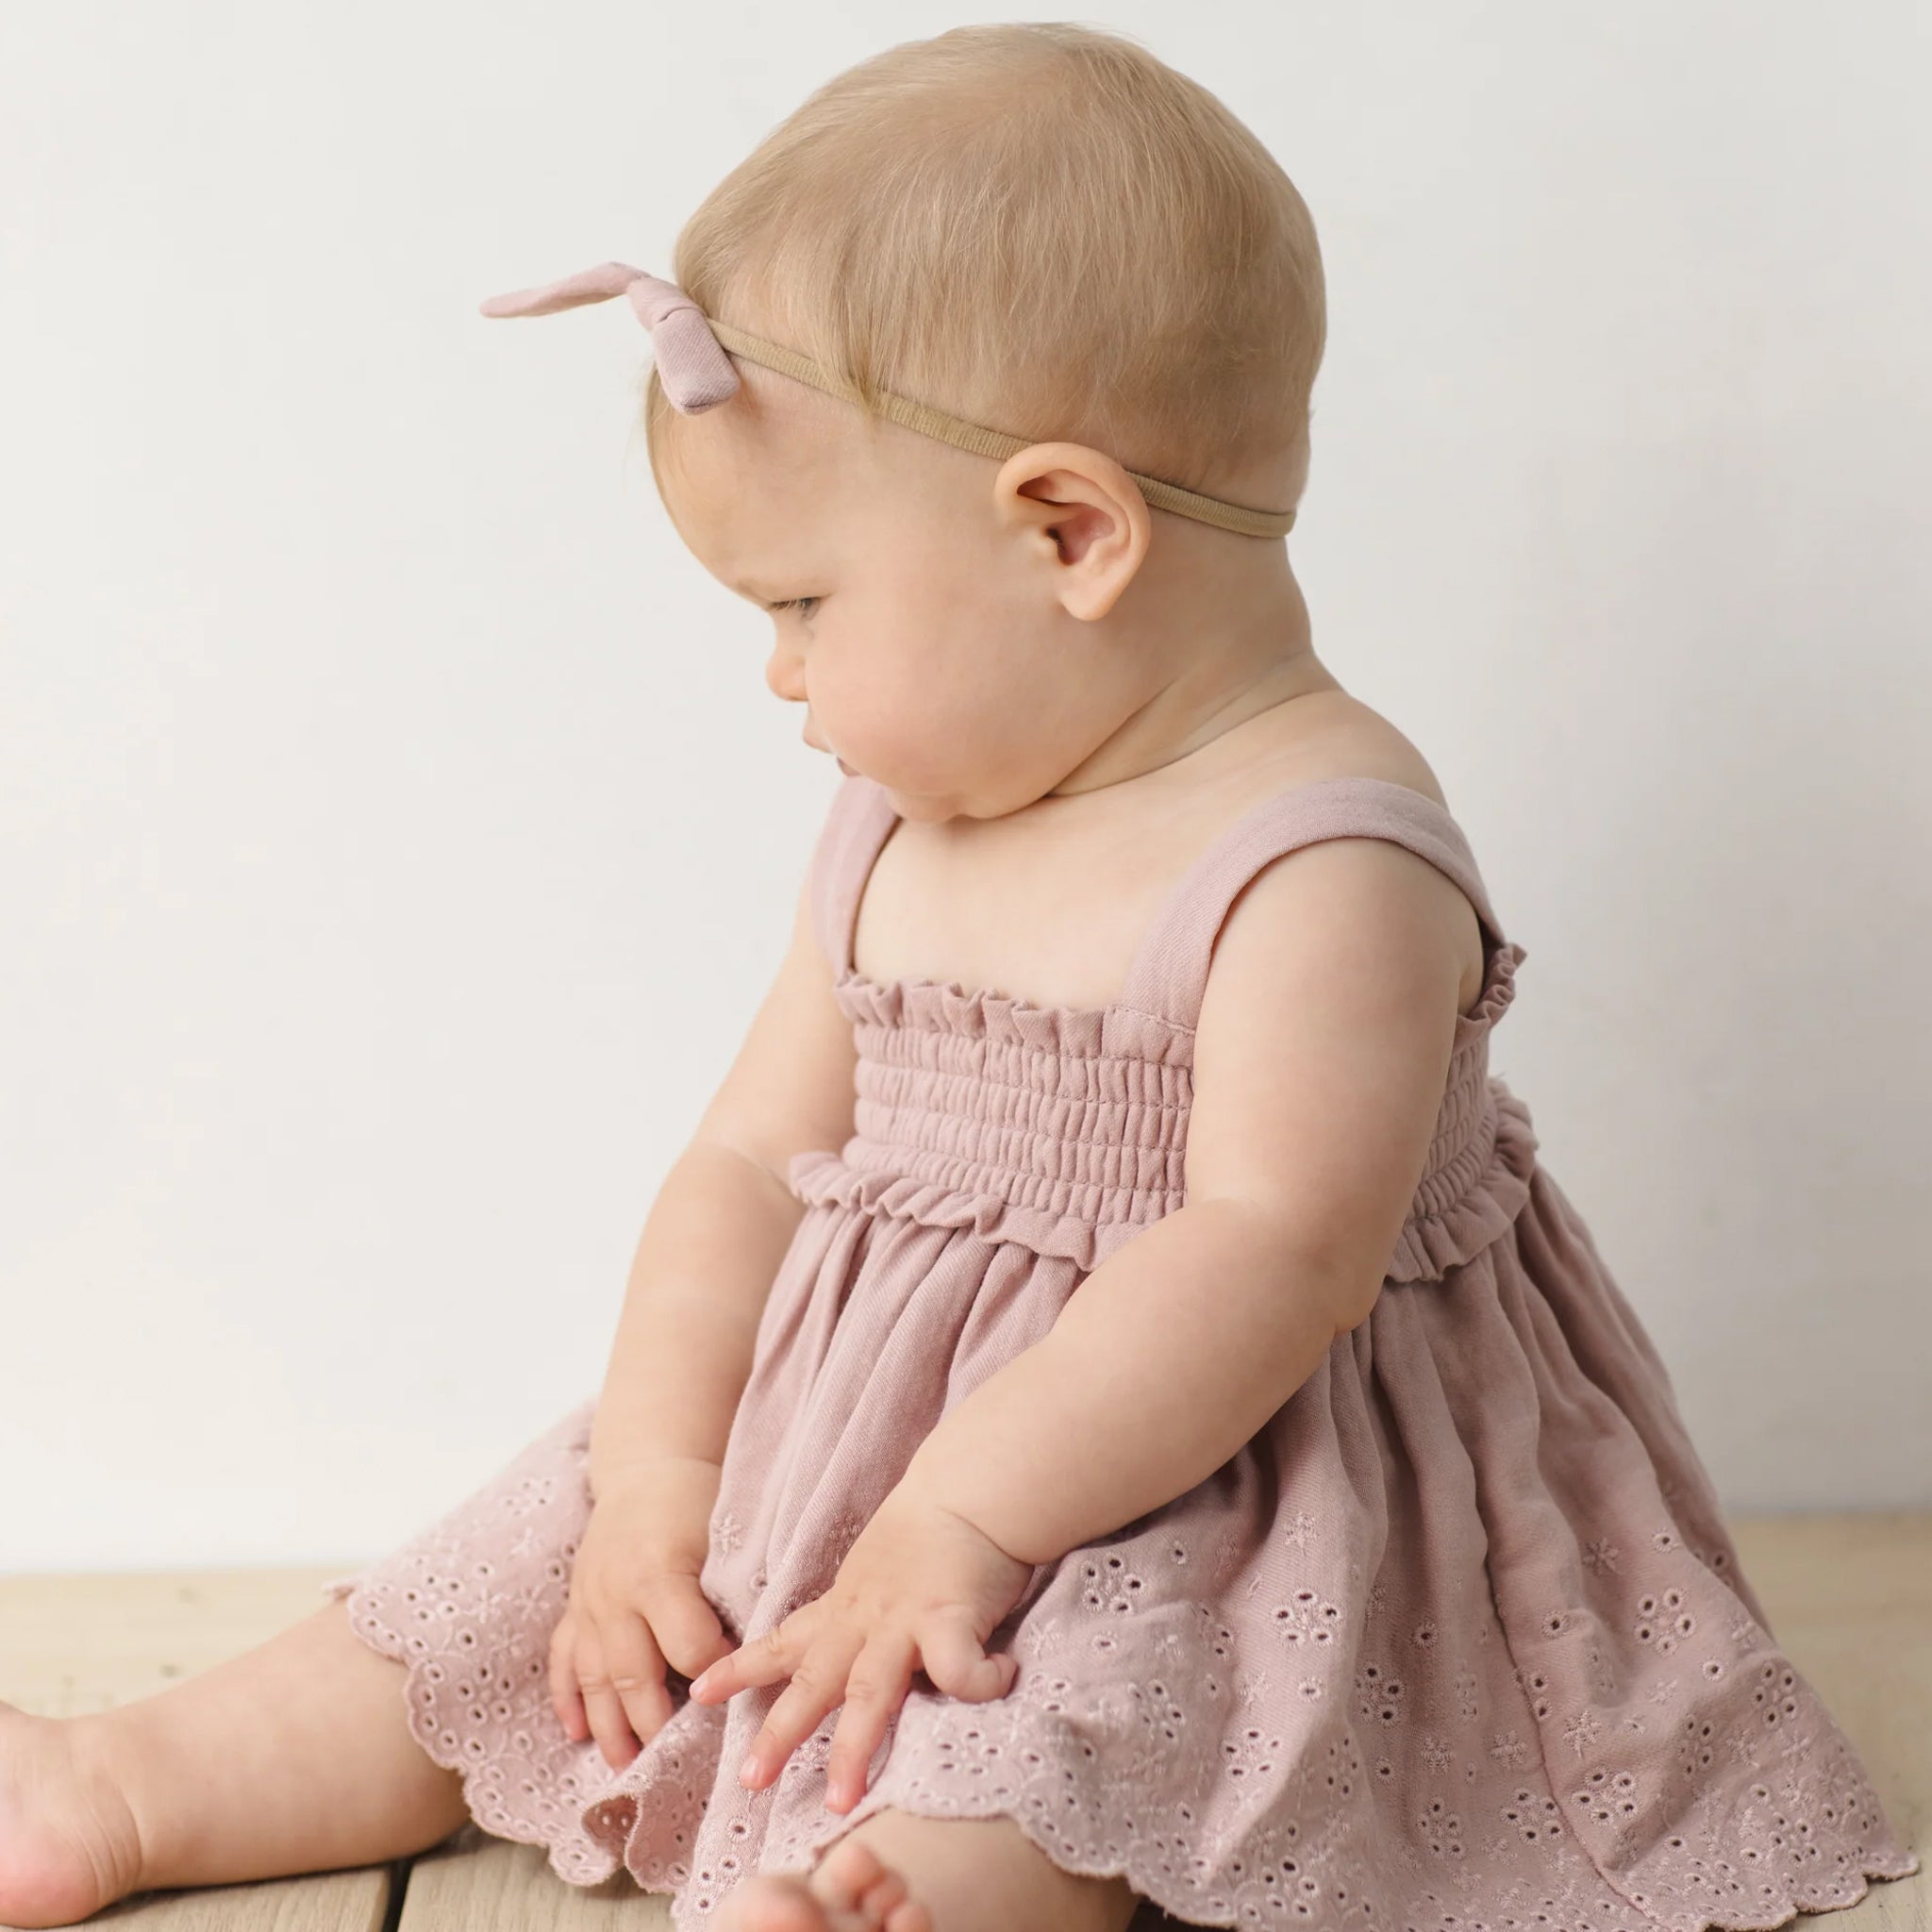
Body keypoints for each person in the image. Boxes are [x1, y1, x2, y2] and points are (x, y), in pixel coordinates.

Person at [1, 23, 1916, 1932]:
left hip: (1199, 1485)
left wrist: (964, 1525)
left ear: (1066, 531)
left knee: (1058, 1712)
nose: (781, 677)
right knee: (516, 1595)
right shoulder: (903, 834)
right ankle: (126, 1779)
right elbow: (747, 1162)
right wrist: (663, 1475)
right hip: (839, 1448)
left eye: (802, 606)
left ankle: (878, 1895)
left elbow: (1269, 1250)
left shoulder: (1322, 857)